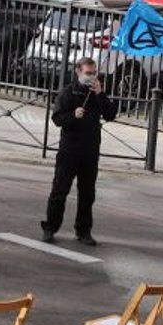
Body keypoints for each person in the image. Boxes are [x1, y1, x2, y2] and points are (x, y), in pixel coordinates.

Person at [41, 58, 117, 246]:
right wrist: (73, 116)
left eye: (94, 73)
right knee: (60, 190)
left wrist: (100, 94)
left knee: (87, 193)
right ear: (78, 72)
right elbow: (57, 117)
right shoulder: (68, 92)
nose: (91, 77)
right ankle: (50, 227)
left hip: (90, 151)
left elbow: (110, 114)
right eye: (88, 73)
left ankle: (83, 230)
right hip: (69, 150)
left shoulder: (97, 94)